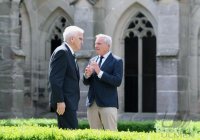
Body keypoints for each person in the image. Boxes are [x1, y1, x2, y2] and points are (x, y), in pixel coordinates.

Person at [83, 34, 123, 131]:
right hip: (92, 104)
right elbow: (86, 82)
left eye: (99, 43)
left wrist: (99, 72)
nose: (96, 46)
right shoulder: (93, 60)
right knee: (95, 135)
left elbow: (117, 81)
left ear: (108, 45)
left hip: (108, 104)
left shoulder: (117, 61)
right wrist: (87, 75)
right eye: (96, 43)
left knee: (111, 134)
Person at [48, 25, 84, 129]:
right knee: (70, 133)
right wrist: (60, 101)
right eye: (80, 38)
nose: (82, 42)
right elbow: (55, 79)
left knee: (70, 132)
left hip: (69, 102)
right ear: (72, 39)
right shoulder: (62, 52)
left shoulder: (69, 53)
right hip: (64, 103)